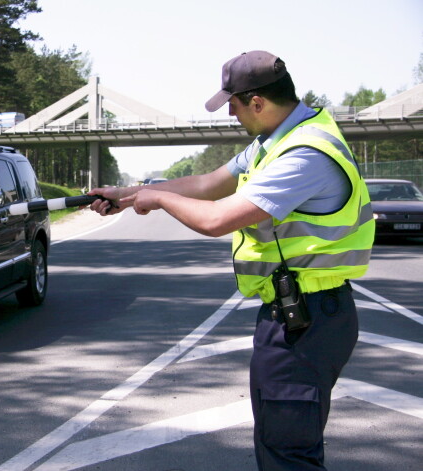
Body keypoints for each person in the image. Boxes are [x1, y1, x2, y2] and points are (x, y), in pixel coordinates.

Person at [88, 50, 375, 470]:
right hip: (292, 313)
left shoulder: (305, 154)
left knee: (289, 452)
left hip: (309, 317)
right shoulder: (272, 144)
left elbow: (217, 218)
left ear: (256, 101)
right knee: (277, 442)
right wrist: (131, 195)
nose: (231, 115)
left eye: (233, 105)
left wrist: (161, 199)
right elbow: (207, 184)